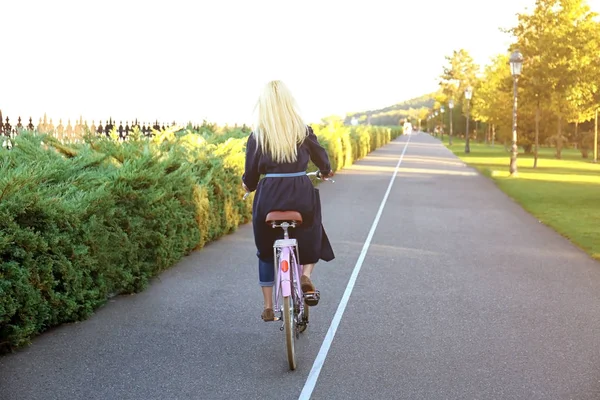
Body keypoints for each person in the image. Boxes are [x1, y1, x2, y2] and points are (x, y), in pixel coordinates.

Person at [242, 80, 335, 322]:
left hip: (268, 196)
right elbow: (321, 158)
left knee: (264, 250)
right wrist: (325, 171)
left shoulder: (257, 136)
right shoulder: (301, 130)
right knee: (313, 232)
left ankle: (268, 306)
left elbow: (251, 175)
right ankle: (305, 275)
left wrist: (247, 185)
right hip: (300, 193)